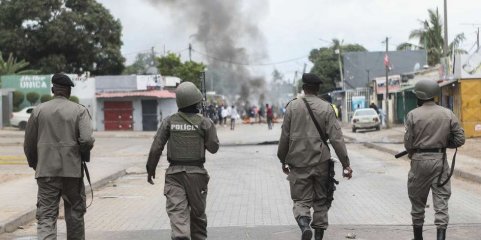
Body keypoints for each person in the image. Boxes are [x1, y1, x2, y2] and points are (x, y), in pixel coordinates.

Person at [277, 73, 353, 240]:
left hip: (298, 162)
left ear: (303, 88)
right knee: (321, 201)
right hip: (321, 162)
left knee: (301, 200)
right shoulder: (326, 108)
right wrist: (345, 164)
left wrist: (283, 159)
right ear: (318, 89)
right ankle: (318, 236)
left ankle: (304, 225)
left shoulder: (292, 107)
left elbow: (284, 136)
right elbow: (336, 138)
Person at [24, 73, 95, 240]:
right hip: (72, 173)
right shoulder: (80, 110)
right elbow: (86, 140)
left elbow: (29, 144)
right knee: (75, 213)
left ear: (52, 90)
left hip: (46, 173)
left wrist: (36, 164)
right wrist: (80, 157)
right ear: (69, 91)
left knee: (47, 215)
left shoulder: (38, 111)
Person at [146, 81, 219, 240]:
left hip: (174, 176)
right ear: (196, 102)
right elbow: (214, 148)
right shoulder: (204, 122)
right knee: (198, 218)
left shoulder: (169, 121)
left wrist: (150, 170)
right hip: (197, 175)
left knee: (178, 217)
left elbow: (156, 148)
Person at [404, 79, 465, 240]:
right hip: (440, 160)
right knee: (441, 202)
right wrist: (443, 144)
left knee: (417, 202)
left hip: (419, 161)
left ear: (421, 96)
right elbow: (459, 139)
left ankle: (418, 238)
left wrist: (414, 153)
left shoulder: (412, 115)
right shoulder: (447, 113)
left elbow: (408, 142)